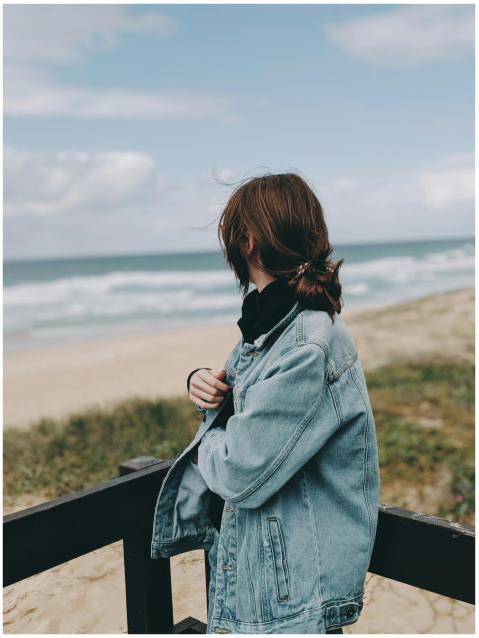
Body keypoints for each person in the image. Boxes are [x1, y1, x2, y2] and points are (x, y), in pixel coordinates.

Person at [150, 173, 381, 634]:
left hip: (288, 598)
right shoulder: (271, 326)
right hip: (259, 576)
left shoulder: (306, 342)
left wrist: (209, 437)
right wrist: (203, 385)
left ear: (249, 242)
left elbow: (239, 470)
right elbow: (247, 407)